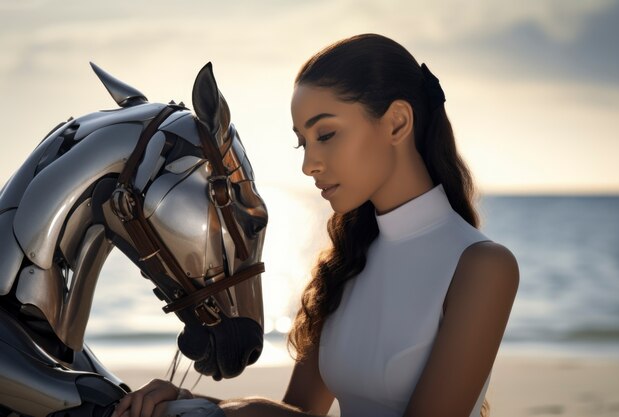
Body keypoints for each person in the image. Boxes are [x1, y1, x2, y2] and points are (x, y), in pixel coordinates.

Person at [112, 33, 519, 417]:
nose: (309, 164)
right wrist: (190, 402)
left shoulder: (481, 267)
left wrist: (236, 411)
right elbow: (300, 411)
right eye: (302, 142)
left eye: (326, 134)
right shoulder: (342, 264)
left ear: (397, 122)